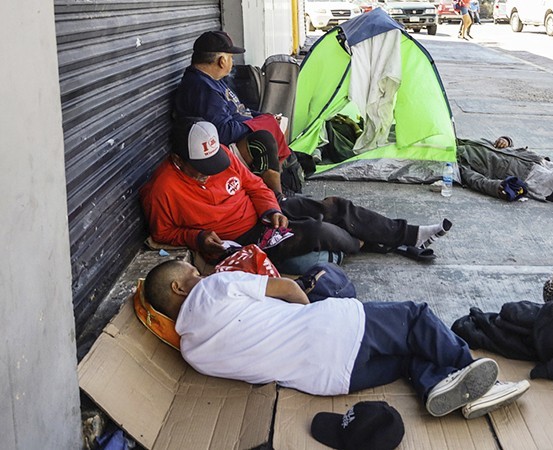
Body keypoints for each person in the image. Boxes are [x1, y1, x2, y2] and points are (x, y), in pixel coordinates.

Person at [143, 259, 531, 419]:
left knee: (409, 353)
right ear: (179, 287)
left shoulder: (192, 352)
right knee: (416, 318)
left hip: (331, 382)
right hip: (334, 331)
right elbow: (289, 291)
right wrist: (307, 311)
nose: (198, 271)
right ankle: (480, 380)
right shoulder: (216, 286)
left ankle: (436, 385)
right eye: (190, 270)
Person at [139, 118, 452, 270]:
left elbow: (254, 186)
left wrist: (271, 209)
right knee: (317, 230)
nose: (209, 171)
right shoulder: (162, 189)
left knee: (334, 207)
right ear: (178, 160)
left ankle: (408, 235)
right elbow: (162, 232)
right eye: (200, 168)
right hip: (244, 241)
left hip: (265, 217)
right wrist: (197, 239)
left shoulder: (222, 155)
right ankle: (378, 241)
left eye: (212, 163)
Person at [173, 30, 301, 198]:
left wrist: (263, 117)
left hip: (235, 136)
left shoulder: (211, 80)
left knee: (270, 122)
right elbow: (223, 132)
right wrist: (258, 124)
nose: (232, 63)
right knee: (263, 140)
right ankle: (277, 197)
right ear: (221, 60)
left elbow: (240, 110)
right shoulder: (202, 89)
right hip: (216, 150)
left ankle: (281, 186)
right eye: (231, 58)